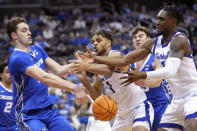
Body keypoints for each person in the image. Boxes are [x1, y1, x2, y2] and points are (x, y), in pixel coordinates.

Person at [80, 5, 197, 131]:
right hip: (175, 101)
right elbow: (124, 60)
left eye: (162, 19)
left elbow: (170, 71)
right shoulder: (153, 44)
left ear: (173, 22)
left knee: (190, 127)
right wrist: (94, 58)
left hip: (192, 95)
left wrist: (143, 76)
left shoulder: (180, 40)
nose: (157, 22)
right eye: (157, 18)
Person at [6, 17, 89, 131]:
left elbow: (60, 70)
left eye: (29, 29)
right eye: (24, 30)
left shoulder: (37, 49)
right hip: (27, 115)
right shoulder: (17, 58)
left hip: (48, 111)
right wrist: (74, 87)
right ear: (14, 35)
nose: (29, 33)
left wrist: (82, 63)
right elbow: (44, 77)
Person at [70, 29, 154, 131]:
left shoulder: (114, 54)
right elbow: (97, 96)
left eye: (99, 40)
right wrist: (84, 81)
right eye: (93, 42)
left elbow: (109, 70)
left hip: (138, 107)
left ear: (108, 42)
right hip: (121, 114)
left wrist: (87, 66)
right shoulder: (98, 68)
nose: (95, 44)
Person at [130, 26, 171, 131]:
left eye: (140, 36)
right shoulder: (130, 61)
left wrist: (143, 81)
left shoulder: (155, 57)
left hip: (160, 104)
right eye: (134, 37)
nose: (137, 39)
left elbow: (157, 81)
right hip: (142, 107)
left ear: (148, 39)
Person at [0, 59, 17, 131]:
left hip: (16, 127)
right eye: (7, 72)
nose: (10, 74)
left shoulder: (19, 89)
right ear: (1, 75)